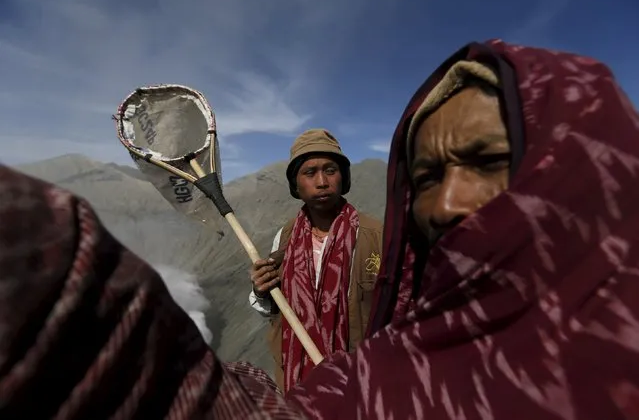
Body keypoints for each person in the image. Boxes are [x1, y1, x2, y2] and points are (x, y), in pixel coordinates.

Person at [3, 39, 639, 420]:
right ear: (296, 184)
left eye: (486, 160)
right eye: (425, 176)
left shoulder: (381, 240)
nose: (447, 203)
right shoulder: (295, 251)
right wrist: (261, 290)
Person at [247, 128, 383, 392]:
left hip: (360, 381)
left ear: (344, 178)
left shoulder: (375, 236)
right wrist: (261, 290)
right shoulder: (285, 238)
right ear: (296, 185)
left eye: (330, 170)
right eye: (309, 173)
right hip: (297, 379)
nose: (322, 181)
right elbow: (269, 310)